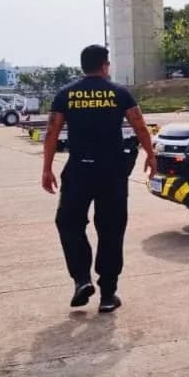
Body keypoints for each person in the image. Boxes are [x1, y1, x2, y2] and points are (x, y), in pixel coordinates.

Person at [41, 44, 156, 313]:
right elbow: (139, 125)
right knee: (111, 230)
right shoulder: (119, 92)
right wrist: (150, 154)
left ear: (83, 66)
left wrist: (47, 169)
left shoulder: (66, 94)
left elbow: (51, 133)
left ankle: (82, 279)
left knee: (68, 223)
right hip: (112, 172)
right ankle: (108, 294)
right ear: (105, 65)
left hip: (79, 170)